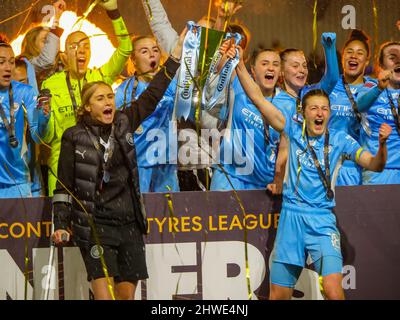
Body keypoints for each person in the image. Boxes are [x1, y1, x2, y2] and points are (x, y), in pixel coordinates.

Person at [231, 43, 391, 299]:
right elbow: (258, 99)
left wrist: (382, 146)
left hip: (322, 221)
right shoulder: (292, 131)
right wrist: (239, 65)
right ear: (304, 113)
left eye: (324, 109)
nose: (320, 113)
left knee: (333, 291)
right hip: (291, 219)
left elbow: (375, 165)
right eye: (314, 108)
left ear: (329, 114)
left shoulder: (341, 140)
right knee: (278, 295)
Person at [51, 38, 183, 299]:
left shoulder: (124, 122)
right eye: (100, 98)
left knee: (126, 297)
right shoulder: (73, 136)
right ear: (88, 106)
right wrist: (61, 222)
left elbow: (152, 94)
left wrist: (175, 59)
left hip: (129, 224)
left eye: (110, 96)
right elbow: (64, 185)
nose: (108, 102)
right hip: (95, 224)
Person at [41, 0, 132, 195]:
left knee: (96, 223)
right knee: (62, 222)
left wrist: (114, 12)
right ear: (64, 56)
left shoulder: (99, 77)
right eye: (74, 46)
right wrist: (43, 117)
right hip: (61, 166)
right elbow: (47, 136)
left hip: (97, 166)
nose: (81, 50)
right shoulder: (50, 84)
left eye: (86, 46)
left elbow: (125, 48)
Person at [210, 46, 283, 190]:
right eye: (264, 63)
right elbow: (220, 67)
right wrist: (227, 51)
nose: (271, 68)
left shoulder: (288, 103)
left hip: (262, 182)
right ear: (253, 71)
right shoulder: (241, 84)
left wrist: (279, 178)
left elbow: (286, 146)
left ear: (280, 72)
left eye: (275, 64)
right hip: (228, 175)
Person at [115, 35, 179, 192]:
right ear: (133, 60)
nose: (152, 54)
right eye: (144, 51)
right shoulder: (123, 91)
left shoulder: (173, 85)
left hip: (166, 166)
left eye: (155, 50)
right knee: (141, 214)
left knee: (169, 215)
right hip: (139, 165)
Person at [0, 39, 49, 198]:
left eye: (11, 62)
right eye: (1, 62)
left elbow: (37, 135)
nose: (8, 67)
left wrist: (43, 118)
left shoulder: (25, 92)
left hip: (17, 182)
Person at [328, 29, 375, 186]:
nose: (354, 56)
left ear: (367, 61)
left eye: (360, 53)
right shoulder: (329, 87)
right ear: (342, 57)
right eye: (349, 52)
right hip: (332, 164)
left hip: (363, 167)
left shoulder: (375, 89)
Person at [357, 41, 400, 185]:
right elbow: (360, 106)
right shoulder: (371, 86)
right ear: (381, 65)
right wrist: (380, 88)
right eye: (392, 57)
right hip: (378, 171)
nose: (398, 61)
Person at [20, 0, 66, 90]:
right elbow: (47, 59)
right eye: (46, 41)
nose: (52, 44)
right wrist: (56, 19)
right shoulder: (27, 66)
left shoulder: (62, 65)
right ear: (32, 45)